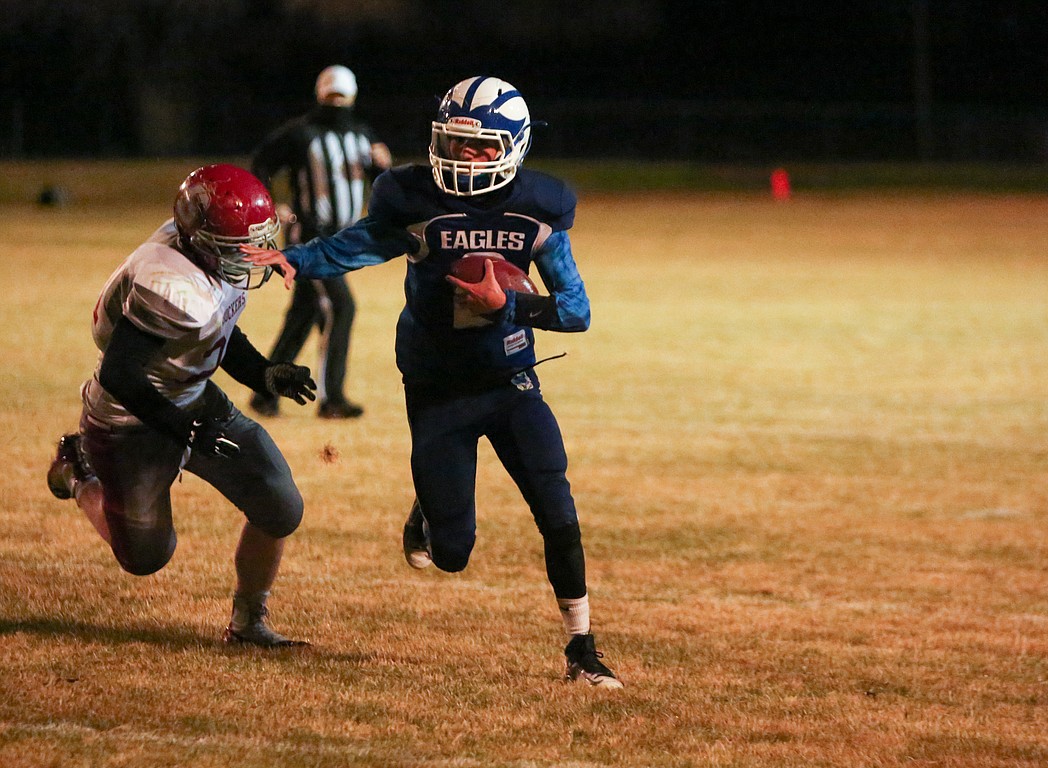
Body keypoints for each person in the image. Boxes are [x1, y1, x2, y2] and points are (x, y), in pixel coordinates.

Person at [244, 76, 623, 688]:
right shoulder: (413, 196)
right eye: (454, 143)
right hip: (437, 384)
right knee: (451, 553)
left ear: (513, 147)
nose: (462, 158)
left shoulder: (538, 207)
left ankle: (582, 648)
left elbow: (576, 312)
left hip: (509, 375)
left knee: (557, 506)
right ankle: (428, 507)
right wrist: (297, 258)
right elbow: (357, 245)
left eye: (479, 147)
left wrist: (508, 306)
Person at [47, 164, 318, 647]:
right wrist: (184, 428)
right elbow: (120, 373)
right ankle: (77, 469)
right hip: (129, 419)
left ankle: (248, 623)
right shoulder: (167, 280)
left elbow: (219, 329)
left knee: (279, 504)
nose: (253, 255)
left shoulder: (206, 250)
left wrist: (264, 372)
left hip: (191, 397)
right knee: (146, 556)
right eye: (241, 246)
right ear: (204, 241)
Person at [248, 64, 392, 420]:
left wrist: (382, 168)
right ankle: (332, 399)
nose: (337, 103)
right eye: (335, 96)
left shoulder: (358, 133)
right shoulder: (304, 133)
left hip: (340, 239)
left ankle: (265, 392)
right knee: (341, 308)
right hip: (311, 239)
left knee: (305, 312)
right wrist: (269, 206)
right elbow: (261, 165)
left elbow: (381, 182)